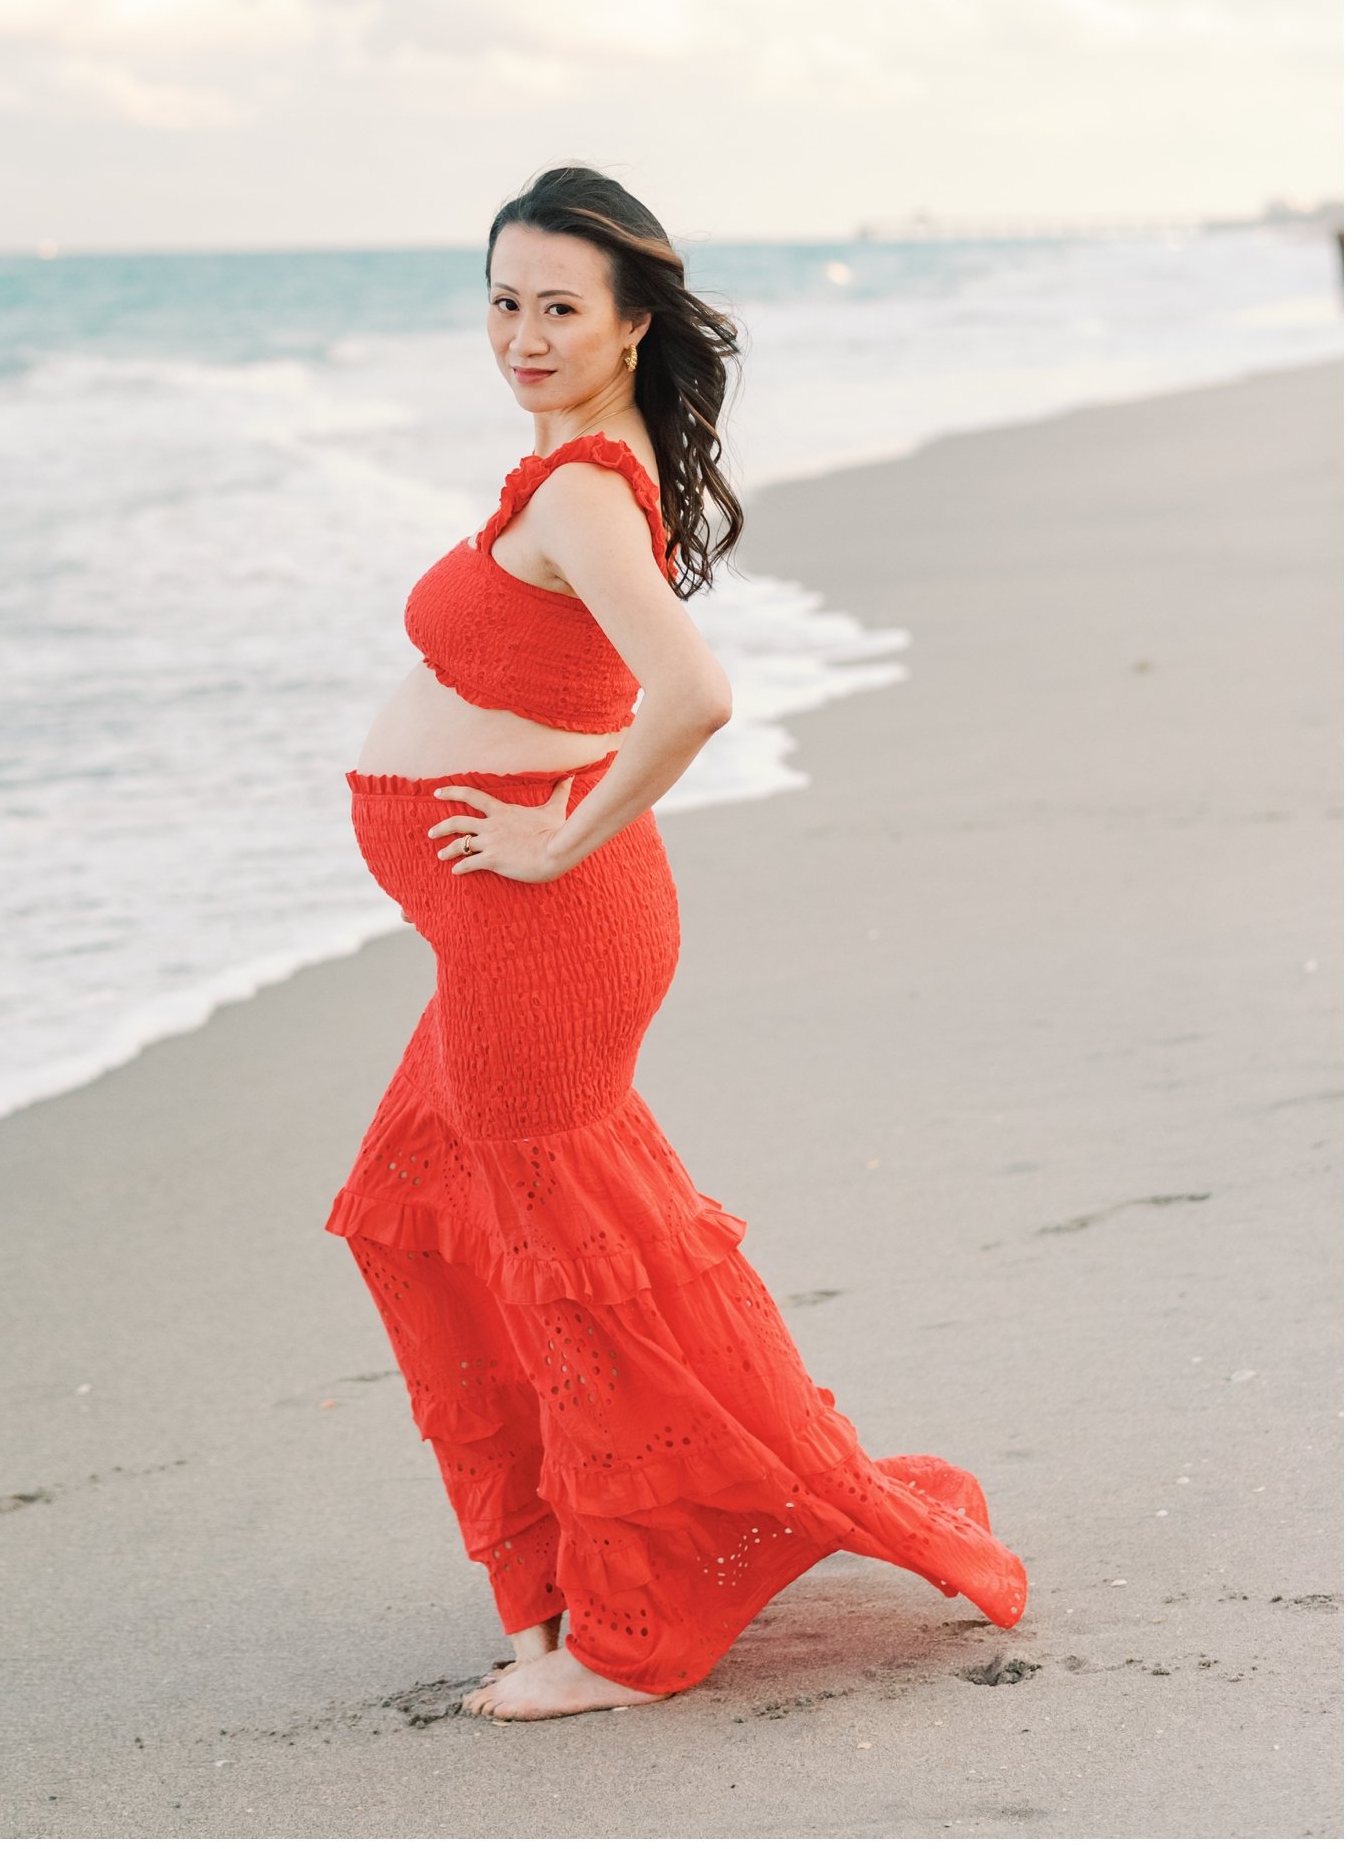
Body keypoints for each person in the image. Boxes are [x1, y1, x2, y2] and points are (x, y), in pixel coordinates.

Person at [325, 163, 1029, 1720]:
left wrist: (557, 835)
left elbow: (695, 695)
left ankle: (625, 1640)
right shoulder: (579, 461)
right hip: (521, 931)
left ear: (633, 324)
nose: (521, 333)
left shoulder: (580, 491)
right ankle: (560, 1576)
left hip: (545, 929)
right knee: (417, 1213)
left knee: (566, 1279)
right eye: (502, 300)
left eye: (559, 307)